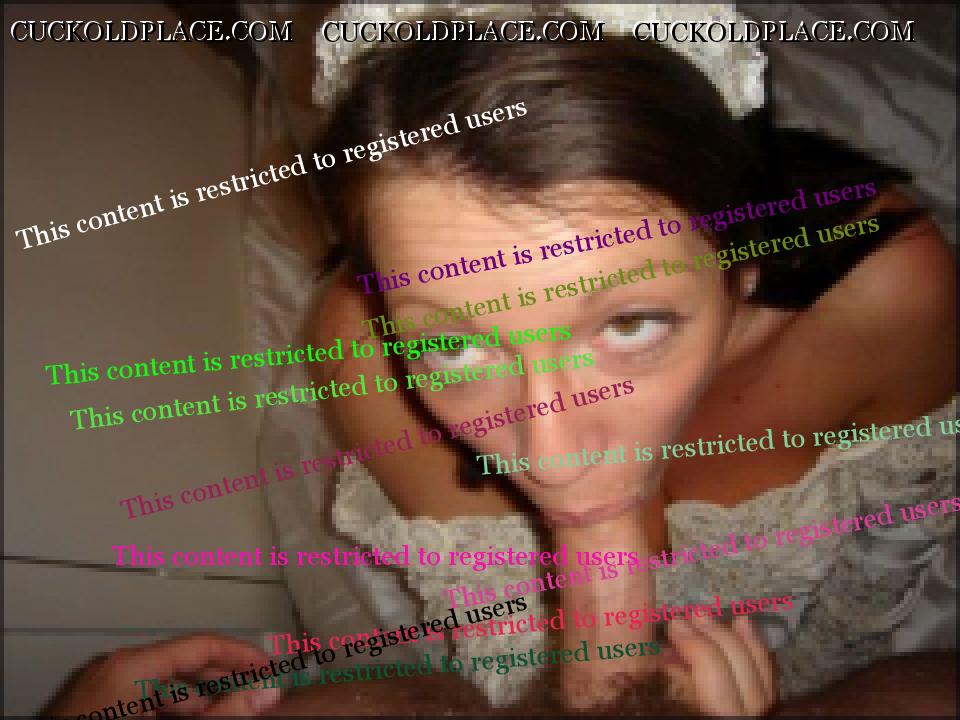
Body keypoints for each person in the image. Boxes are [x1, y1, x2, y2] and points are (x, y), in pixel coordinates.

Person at [43, 5, 956, 717]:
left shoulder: (886, 296)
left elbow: (882, 568)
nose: (548, 455)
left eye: (631, 323)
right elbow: (514, 665)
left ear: (740, 270)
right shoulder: (371, 354)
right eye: (452, 342)